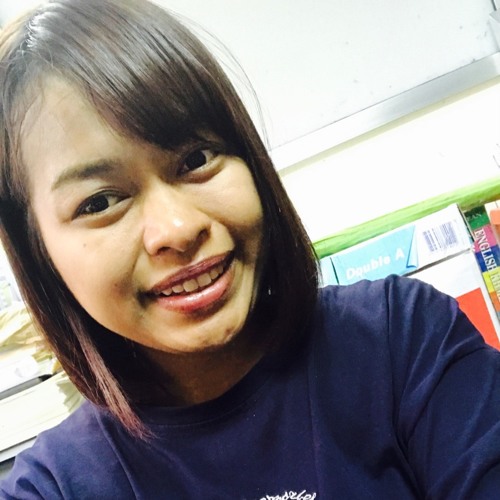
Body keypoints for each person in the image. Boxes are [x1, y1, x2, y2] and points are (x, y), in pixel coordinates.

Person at [0, 0, 498, 498]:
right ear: (39, 254)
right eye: (101, 202)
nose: (178, 229)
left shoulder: (404, 338)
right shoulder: (53, 486)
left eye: (196, 158)